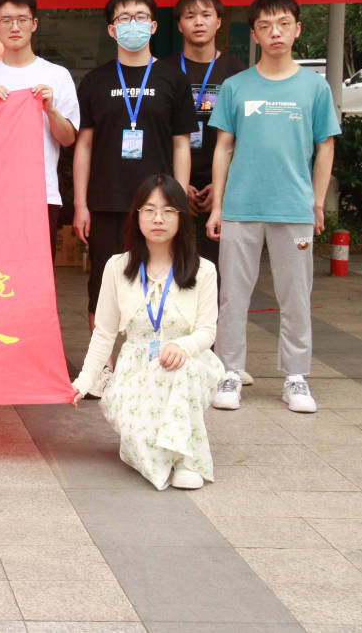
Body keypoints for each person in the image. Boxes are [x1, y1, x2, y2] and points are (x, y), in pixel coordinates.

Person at [208, 0, 340, 414]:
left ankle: (296, 376)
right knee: (232, 296)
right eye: (265, 26)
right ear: (255, 35)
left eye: (283, 24)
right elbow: (223, 146)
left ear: (297, 29)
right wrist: (217, 206)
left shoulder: (314, 87)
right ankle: (229, 371)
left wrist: (317, 203)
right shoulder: (236, 86)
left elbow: (325, 147)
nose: (275, 32)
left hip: (294, 207)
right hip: (241, 207)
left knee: (296, 294)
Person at [72, 174, 223, 490]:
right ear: (137, 215)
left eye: (168, 211)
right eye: (150, 210)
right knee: (145, 449)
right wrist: (84, 382)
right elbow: (104, 333)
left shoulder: (204, 270)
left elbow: (207, 331)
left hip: (188, 363)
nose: (158, 219)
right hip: (136, 372)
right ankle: (166, 452)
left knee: (181, 371)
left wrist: (182, 347)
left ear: (181, 218)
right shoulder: (117, 267)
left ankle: (186, 461)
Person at [73, 0, 196, 337]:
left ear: (154, 26)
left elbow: (182, 143)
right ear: (112, 30)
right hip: (106, 200)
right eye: (124, 18)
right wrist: (81, 204)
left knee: (157, 279)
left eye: (141, 17)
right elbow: (84, 145)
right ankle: (103, 361)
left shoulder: (173, 79)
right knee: (103, 284)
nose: (133, 24)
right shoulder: (95, 81)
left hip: (157, 204)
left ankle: (152, 355)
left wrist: (179, 202)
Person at [0, 0, 79, 255]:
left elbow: (68, 138)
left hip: (41, 194)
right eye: (6, 20)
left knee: (37, 273)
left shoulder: (56, 75)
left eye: (22, 20)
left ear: (34, 24)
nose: (14, 27)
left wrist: (50, 110)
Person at [156, 0, 248, 268]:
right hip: (170, 181)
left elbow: (244, 135)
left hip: (220, 183)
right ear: (179, 25)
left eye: (206, 15)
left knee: (215, 269)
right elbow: (157, 130)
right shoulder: (163, 70)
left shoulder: (236, 71)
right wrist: (178, 185)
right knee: (172, 265)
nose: (198, 22)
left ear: (218, 22)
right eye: (190, 16)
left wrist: (221, 186)